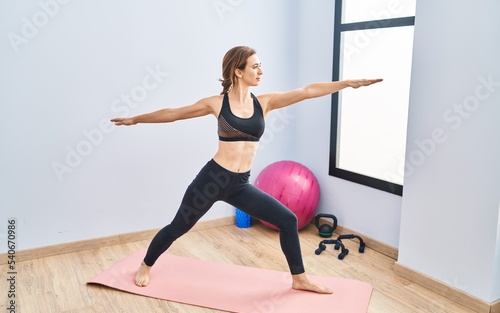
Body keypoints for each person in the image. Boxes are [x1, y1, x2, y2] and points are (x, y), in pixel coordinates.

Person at [111, 46, 382, 294]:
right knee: (178, 227)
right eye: (255, 67)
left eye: (260, 66)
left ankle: (299, 278)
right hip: (212, 179)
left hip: (240, 184)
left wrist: (346, 83)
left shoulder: (263, 102)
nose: (261, 72)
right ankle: (146, 264)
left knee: (288, 220)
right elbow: (173, 113)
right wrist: (136, 119)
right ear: (238, 71)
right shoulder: (216, 104)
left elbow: (307, 91)